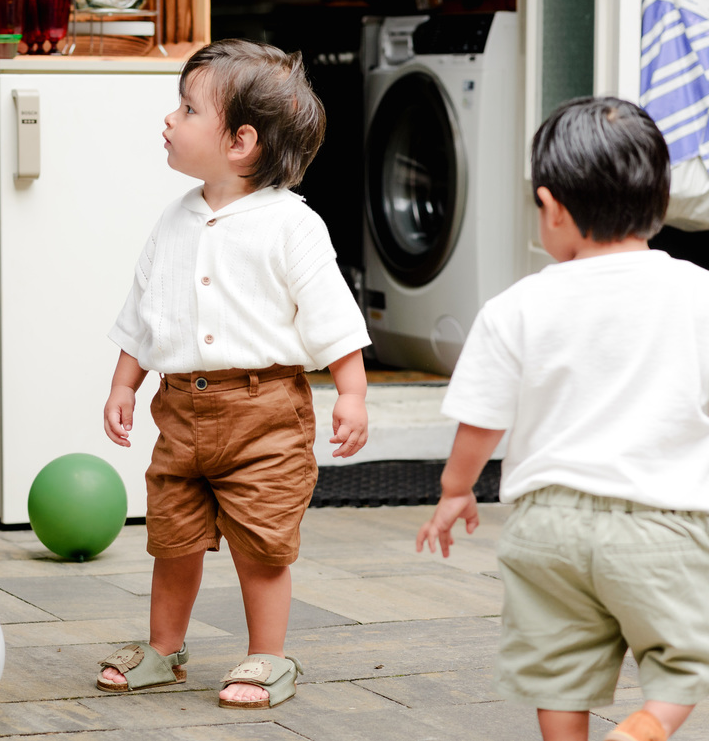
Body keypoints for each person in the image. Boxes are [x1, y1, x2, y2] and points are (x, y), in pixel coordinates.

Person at [416, 96, 709, 741]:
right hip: (661, 524)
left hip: (545, 526)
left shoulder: (518, 304)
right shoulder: (697, 293)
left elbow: (480, 419)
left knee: (559, 670)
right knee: (688, 657)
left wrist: (455, 491)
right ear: (661, 202)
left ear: (551, 208)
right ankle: (644, 728)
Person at [97, 38, 371, 709]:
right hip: (181, 409)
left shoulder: (290, 226)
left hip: (266, 412)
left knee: (262, 539)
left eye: (188, 109)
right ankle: (166, 647)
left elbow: (331, 314)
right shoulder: (175, 218)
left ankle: (267, 656)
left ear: (242, 142)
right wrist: (124, 382)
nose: (170, 119)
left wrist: (354, 392)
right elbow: (146, 307)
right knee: (173, 534)